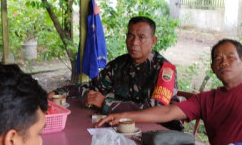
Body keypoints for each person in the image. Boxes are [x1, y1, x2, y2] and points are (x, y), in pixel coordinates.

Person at [95, 39, 242, 145]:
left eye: (230, 57)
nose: (224, 62)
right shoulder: (208, 99)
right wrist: (124, 116)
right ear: (213, 67)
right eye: (218, 59)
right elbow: (167, 113)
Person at [50, 16, 180, 127]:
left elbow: (157, 110)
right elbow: (93, 87)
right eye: (130, 36)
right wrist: (58, 93)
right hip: (120, 128)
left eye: (141, 37)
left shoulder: (165, 70)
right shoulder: (119, 64)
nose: (134, 42)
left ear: (153, 41)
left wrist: (106, 104)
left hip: (159, 134)